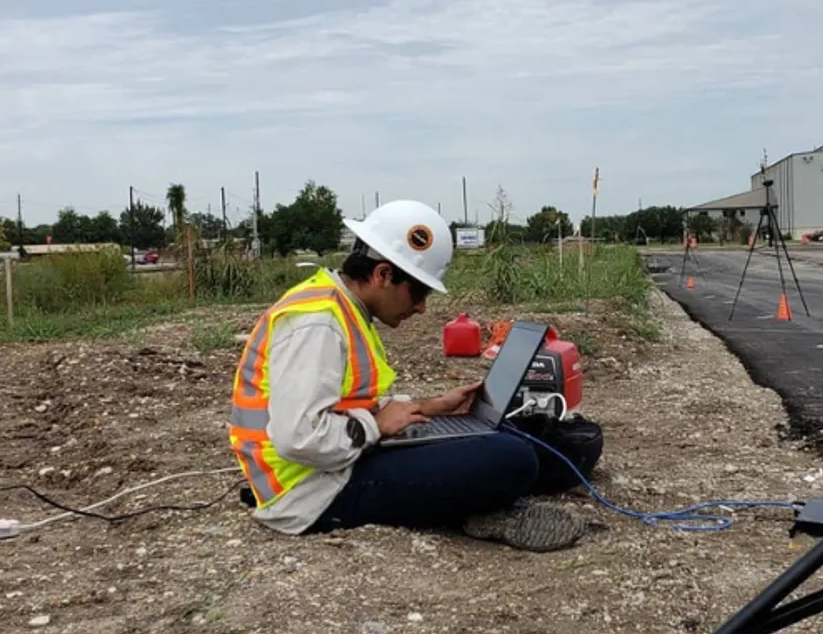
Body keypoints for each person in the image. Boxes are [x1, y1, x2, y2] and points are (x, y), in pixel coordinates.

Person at [226, 199, 586, 551]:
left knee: (563, 443)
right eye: (418, 292)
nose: (421, 307)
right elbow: (299, 438)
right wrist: (378, 427)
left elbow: (345, 402)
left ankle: (488, 487)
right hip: (313, 491)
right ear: (383, 274)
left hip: (338, 462)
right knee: (513, 458)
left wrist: (428, 408)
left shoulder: (341, 310)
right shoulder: (317, 323)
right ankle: (476, 509)